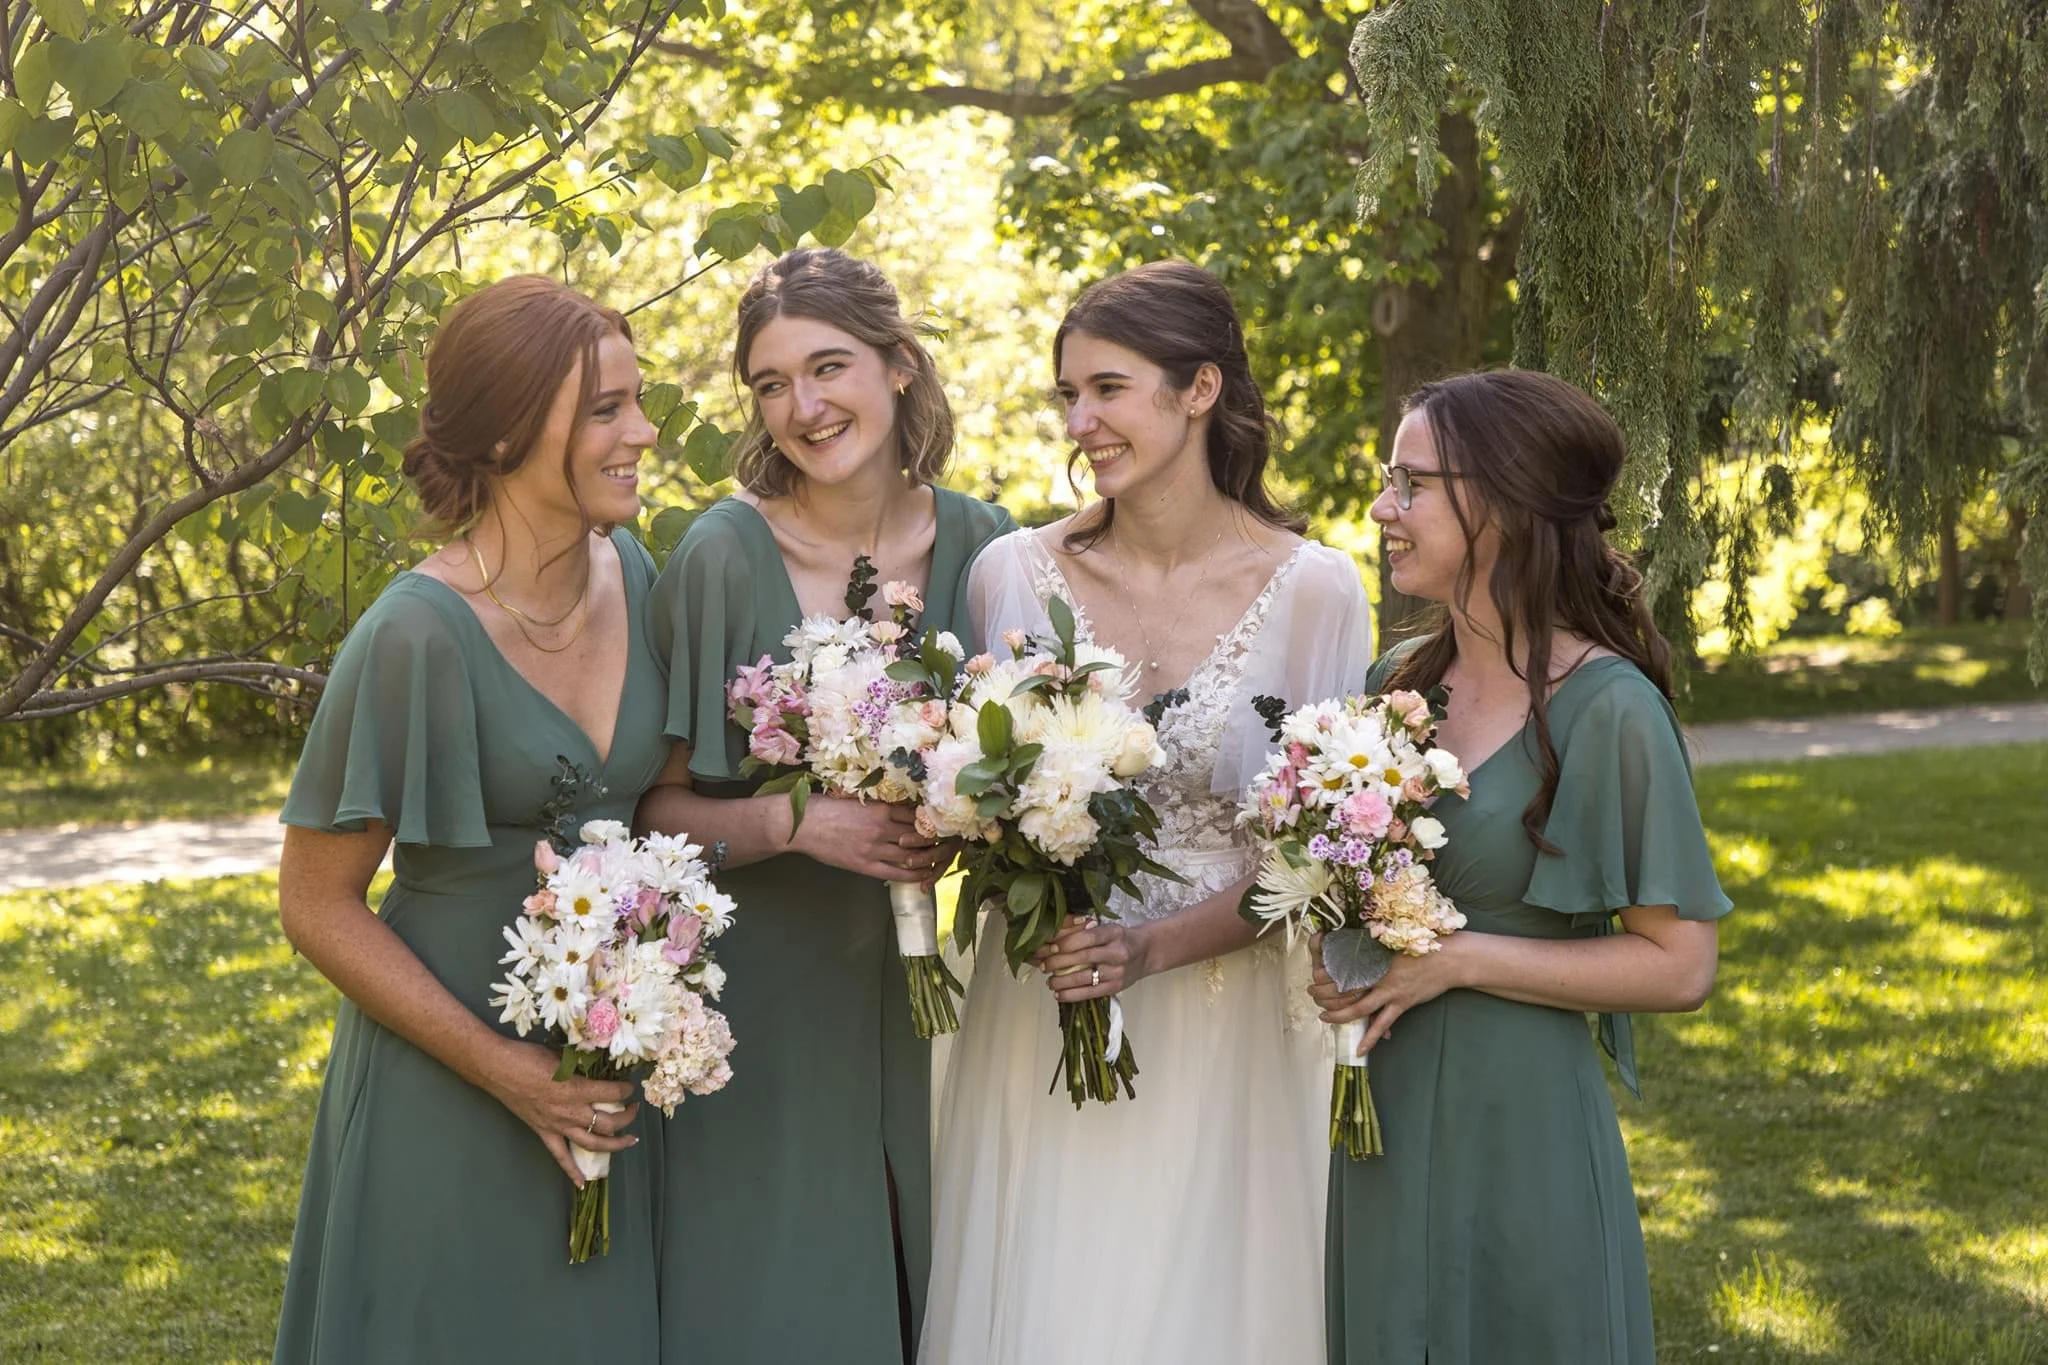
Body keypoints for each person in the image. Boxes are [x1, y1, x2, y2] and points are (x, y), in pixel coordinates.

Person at [920, 260, 1372, 1365]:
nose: (1081, 423)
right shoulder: (1012, 575)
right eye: (1067, 395)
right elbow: (971, 802)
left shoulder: (1316, 590)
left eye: (1108, 389)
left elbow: (1326, 855)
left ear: (1199, 389)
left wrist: (1153, 944)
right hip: (1045, 1003)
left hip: (1231, 1024)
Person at [273, 276, 668, 1363]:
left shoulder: (634, 570)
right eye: (604, 410)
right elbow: (314, 903)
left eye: (637, 402)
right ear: (502, 432)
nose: (641, 432)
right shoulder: (412, 636)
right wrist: (499, 1067)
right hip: (445, 1082)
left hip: (605, 1074)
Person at [636, 247, 1016, 1364]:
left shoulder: (989, 546)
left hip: (935, 1004)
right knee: (780, 1302)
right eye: (768, 382)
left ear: (898, 367)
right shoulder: (719, 553)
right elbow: (651, 811)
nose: (801, 406)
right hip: (761, 998)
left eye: (828, 366)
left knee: (935, 1284)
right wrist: (798, 821)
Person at [1314, 369, 1732, 1365]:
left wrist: (1458, 962)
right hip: (1382, 1110)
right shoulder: (1391, 689)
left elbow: (1676, 966)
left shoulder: (1608, 710)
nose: (1383, 508)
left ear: (1497, 501)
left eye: (1411, 485)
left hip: (1522, 1123)